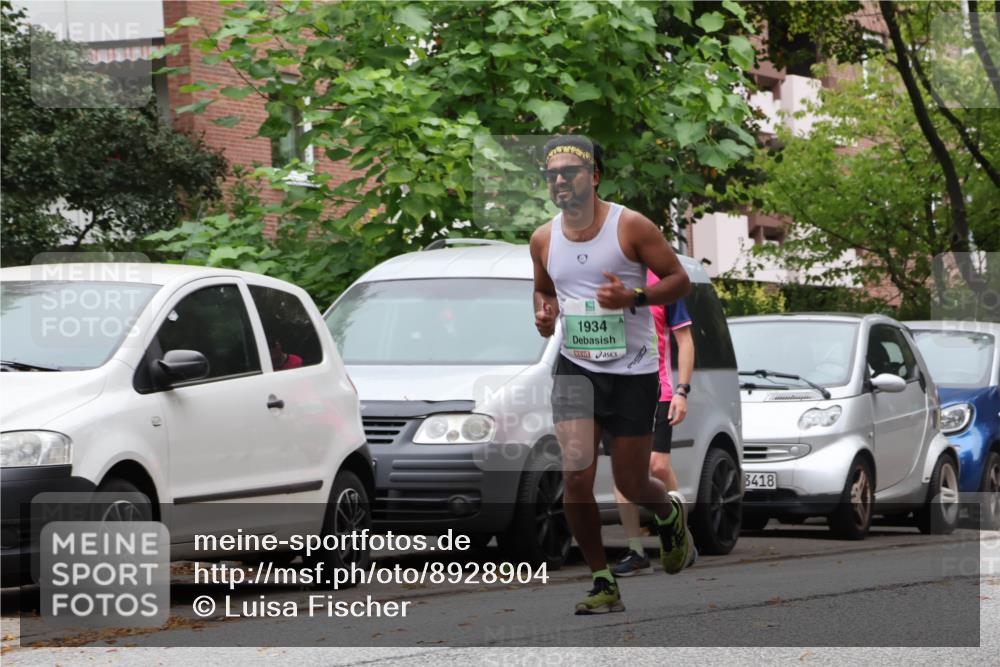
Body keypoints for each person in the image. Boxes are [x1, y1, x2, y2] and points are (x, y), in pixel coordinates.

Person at [530, 135, 692, 615]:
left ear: (594, 176)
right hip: (576, 369)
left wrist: (634, 299)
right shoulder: (543, 238)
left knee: (634, 481)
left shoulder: (631, 227)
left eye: (570, 172)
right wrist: (543, 317)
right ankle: (602, 580)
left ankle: (668, 515)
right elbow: (545, 295)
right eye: (552, 174)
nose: (560, 180)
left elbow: (679, 280)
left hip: (633, 370)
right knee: (576, 477)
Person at [612, 282, 695, 576]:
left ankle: (678, 534)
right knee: (623, 471)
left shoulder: (662, 284)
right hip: (619, 391)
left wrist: (682, 391)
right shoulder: (607, 280)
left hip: (658, 388)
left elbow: (684, 340)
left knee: (658, 466)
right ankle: (635, 550)